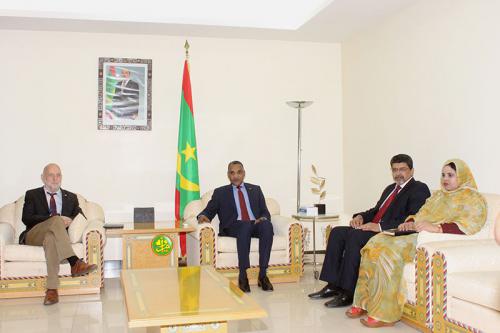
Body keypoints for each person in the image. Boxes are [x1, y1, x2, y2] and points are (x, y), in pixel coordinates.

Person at [347, 159, 487, 328]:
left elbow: (471, 225)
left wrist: (437, 227)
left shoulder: (473, 198)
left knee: (388, 251)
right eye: (443, 175)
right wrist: (411, 221)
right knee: (375, 243)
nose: (445, 179)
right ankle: (363, 302)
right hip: (416, 233)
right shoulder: (438, 196)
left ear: (462, 176)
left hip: (432, 240)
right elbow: (421, 213)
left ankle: (383, 313)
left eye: (450, 175)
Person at [308, 154, 430, 307]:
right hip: (372, 228)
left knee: (355, 235)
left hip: (390, 232)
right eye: (395, 170)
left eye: (402, 169)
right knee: (337, 232)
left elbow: (412, 217)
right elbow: (376, 211)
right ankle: (333, 285)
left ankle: (348, 291)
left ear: (411, 171)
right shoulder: (390, 189)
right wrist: (360, 217)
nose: (398, 173)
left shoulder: (419, 188)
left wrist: (378, 226)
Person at [21, 163, 98, 305]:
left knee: (51, 238)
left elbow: (80, 217)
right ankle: (74, 262)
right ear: (43, 178)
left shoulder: (71, 197)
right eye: (51, 175)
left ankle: (52, 290)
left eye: (58, 175)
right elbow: (26, 218)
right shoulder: (32, 194)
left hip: (55, 237)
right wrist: (54, 219)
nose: (55, 179)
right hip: (34, 234)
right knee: (56, 219)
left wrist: (70, 221)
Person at [197, 161, 274, 293]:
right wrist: (202, 216)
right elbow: (209, 210)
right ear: (228, 175)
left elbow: (264, 211)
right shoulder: (221, 192)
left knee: (267, 225)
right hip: (234, 226)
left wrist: (263, 218)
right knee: (244, 225)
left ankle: (263, 275)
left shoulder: (255, 189)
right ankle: (243, 276)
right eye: (232, 173)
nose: (236, 176)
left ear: (243, 173)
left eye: (239, 172)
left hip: (254, 224)